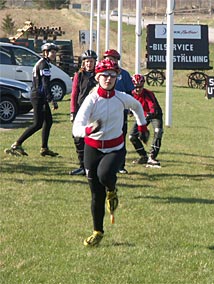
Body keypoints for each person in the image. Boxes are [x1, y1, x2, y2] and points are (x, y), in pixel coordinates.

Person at [72, 59, 149, 246]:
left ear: (117, 77)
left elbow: (137, 106)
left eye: (112, 75)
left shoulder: (121, 97)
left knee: (105, 174)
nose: (108, 79)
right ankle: (97, 231)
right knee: (95, 193)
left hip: (115, 148)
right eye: (104, 76)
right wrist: (89, 130)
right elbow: (77, 128)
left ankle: (112, 190)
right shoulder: (91, 100)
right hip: (93, 148)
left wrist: (142, 125)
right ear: (98, 78)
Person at [4, 43, 60, 157]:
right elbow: (45, 84)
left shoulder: (44, 63)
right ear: (45, 53)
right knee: (37, 124)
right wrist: (51, 99)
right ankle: (17, 144)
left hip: (40, 96)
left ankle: (44, 148)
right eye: (52, 52)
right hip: (38, 96)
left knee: (48, 121)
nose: (54, 54)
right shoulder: (44, 64)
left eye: (55, 52)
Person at [103, 49, 134, 174]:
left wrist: (130, 108)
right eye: (107, 58)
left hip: (120, 111)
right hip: (104, 110)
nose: (110, 61)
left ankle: (120, 165)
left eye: (112, 59)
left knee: (120, 138)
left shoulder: (124, 75)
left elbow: (130, 93)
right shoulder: (101, 74)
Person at [69, 50, 98, 175]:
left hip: (96, 110)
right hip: (81, 110)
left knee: (94, 137)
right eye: (87, 62)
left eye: (91, 61)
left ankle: (94, 165)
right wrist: (72, 111)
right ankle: (82, 165)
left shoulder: (99, 75)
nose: (89, 64)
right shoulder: (79, 75)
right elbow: (74, 93)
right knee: (78, 137)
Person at [129, 74, 164, 167]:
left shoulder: (149, 93)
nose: (138, 89)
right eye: (135, 87)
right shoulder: (131, 94)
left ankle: (152, 156)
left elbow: (152, 106)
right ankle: (143, 156)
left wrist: (149, 114)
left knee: (158, 131)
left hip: (155, 115)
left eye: (140, 87)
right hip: (142, 115)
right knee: (132, 136)